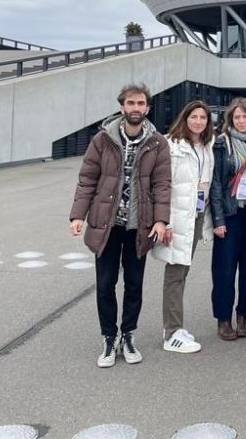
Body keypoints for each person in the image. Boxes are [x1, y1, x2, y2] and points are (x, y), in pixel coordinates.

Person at [69, 83, 171, 367]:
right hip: (107, 225)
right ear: (122, 107)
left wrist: (161, 220)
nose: (135, 108)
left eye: (140, 104)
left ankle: (128, 335)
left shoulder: (157, 142)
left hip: (139, 226)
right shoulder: (103, 140)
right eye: (131, 103)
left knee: (134, 285)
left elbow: (163, 184)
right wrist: (78, 215)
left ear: (147, 109)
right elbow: (87, 179)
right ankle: (108, 337)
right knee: (105, 284)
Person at [151, 100, 215, 354]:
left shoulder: (207, 145)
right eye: (194, 116)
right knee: (175, 273)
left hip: (196, 216)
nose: (198, 121)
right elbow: (161, 184)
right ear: (184, 118)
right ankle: (172, 332)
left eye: (203, 118)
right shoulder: (170, 145)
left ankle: (175, 326)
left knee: (183, 270)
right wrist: (163, 221)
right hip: (176, 218)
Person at [209, 97, 246, 341]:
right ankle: (223, 319)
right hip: (230, 215)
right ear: (230, 120)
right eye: (237, 117)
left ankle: (244, 315)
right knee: (224, 269)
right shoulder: (221, 144)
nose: (242, 121)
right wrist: (218, 220)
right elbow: (215, 184)